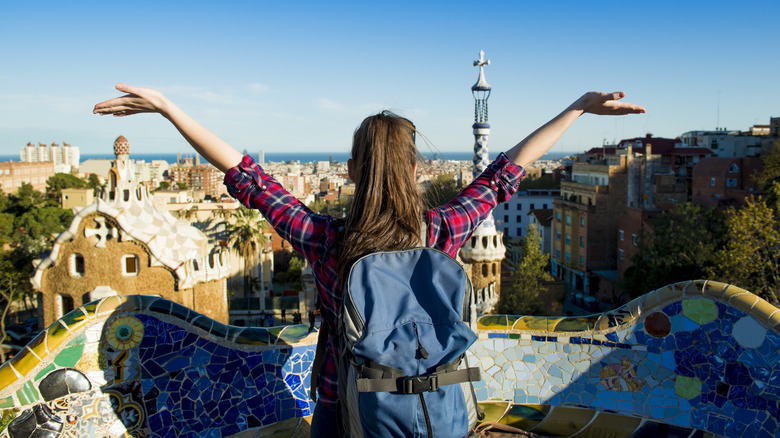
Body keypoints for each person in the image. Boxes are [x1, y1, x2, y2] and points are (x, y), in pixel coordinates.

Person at [94, 83, 644, 436]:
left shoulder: (326, 240)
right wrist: (577, 107)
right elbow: (506, 173)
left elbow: (248, 178)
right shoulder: (441, 231)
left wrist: (169, 108)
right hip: (438, 400)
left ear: (353, 171)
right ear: (414, 170)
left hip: (345, 400)